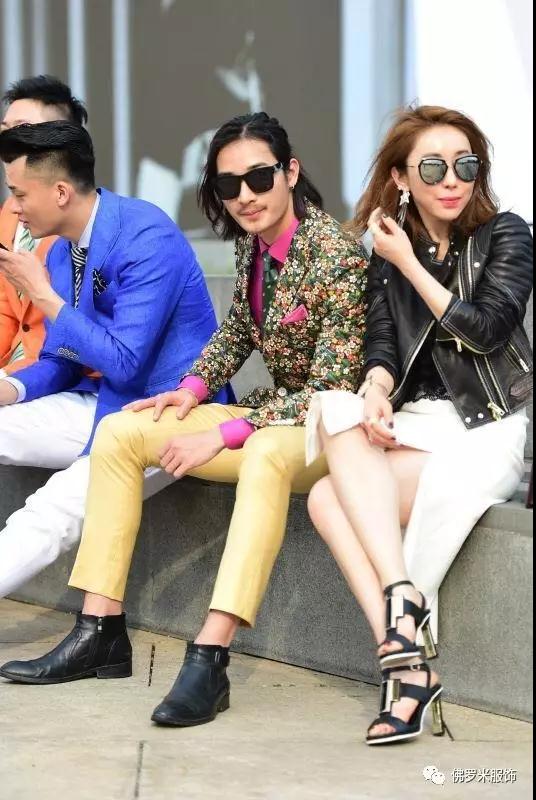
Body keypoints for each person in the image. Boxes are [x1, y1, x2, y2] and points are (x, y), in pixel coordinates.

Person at [0, 113, 369, 731]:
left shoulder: (334, 254)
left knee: (263, 456)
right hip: (234, 410)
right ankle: (99, 630)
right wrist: (189, 390)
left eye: (258, 178)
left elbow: (331, 391)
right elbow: (237, 332)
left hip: (322, 424)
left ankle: (210, 654)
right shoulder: (254, 244)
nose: (244, 196)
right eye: (228, 186)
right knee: (121, 433)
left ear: (291, 172)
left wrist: (219, 429)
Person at [304, 105, 533, 745]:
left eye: (465, 165)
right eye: (432, 167)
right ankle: (403, 612)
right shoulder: (386, 253)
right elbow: (381, 344)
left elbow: (486, 331)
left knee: (327, 497)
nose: (451, 180)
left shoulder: (508, 235)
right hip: (421, 421)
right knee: (337, 414)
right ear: (402, 178)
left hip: (486, 428)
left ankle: (404, 665)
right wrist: (377, 391)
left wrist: (408, 263)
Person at [0, 120, 232, 598]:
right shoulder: (61, 254)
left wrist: (44, 298)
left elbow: (125, 361)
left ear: (60, 192)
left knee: (53, 509)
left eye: (19, 194)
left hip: (166, 413)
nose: (13, 207)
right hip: (102, 403)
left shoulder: (147, 235)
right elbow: (63, 358)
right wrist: (11, 387)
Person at [0, 75, 88, 377]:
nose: (8, 143)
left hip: (61, 374)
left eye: (22, 130)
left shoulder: (83, 222)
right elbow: (5, 312)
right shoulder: (8, 214)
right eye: (4, 131)